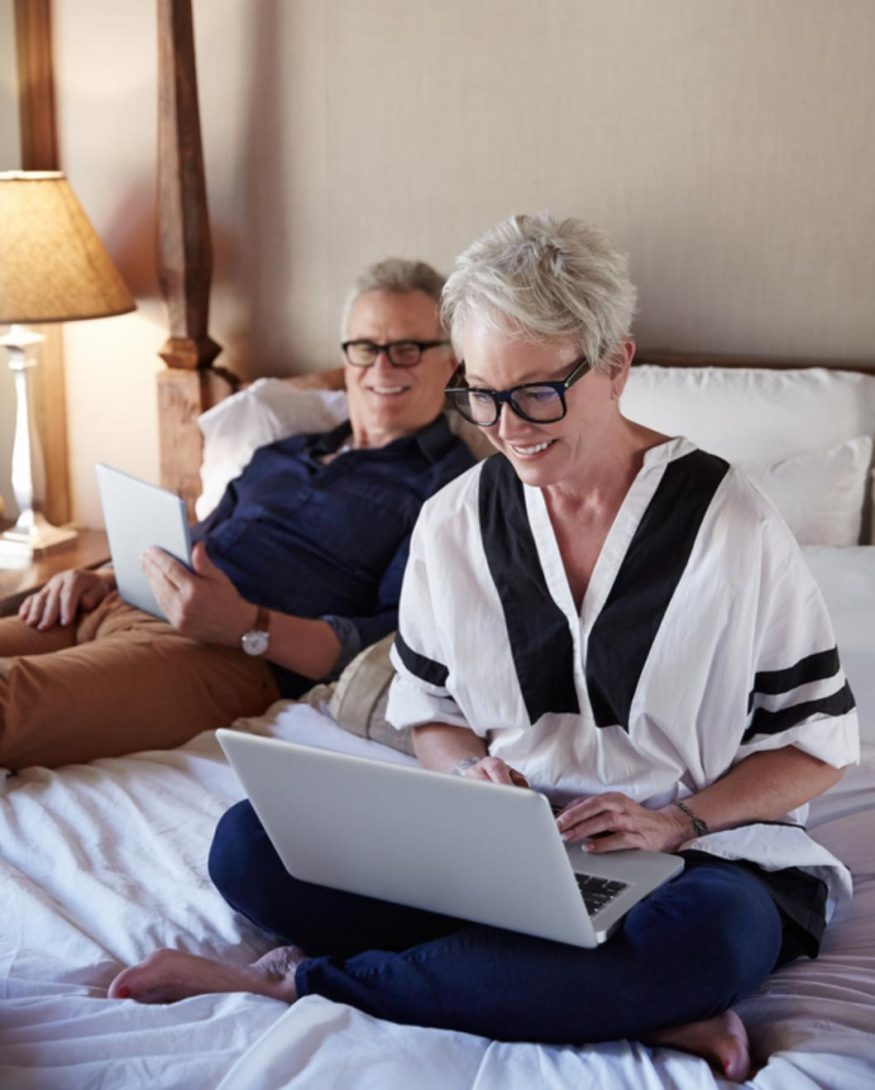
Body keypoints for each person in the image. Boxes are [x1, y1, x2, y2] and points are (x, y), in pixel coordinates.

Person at [108, 216, 858, 1081]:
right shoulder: (453, 522)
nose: (509, 427)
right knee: (251, 845)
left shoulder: (729, 519)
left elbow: (813, 746)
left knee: (702, 946)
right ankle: (602, 1000)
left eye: (538, 393)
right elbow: (433, 718)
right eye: (484, 394)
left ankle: (300, 988)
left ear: (615, 364)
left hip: (693, 861)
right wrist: (470, 776)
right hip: (500, 855)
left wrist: (677, 819)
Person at [0, 258, 473, 769]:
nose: (382, 368)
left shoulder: (450, 490)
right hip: (121, 604)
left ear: (450, 363)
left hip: (226, 656)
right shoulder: (283, 451)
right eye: (366, 348)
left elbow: (388, 642)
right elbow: (201, 538)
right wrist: (104, 577)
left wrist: (246, 624)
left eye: (407, 350)